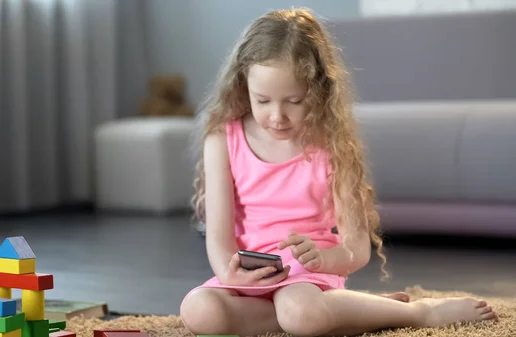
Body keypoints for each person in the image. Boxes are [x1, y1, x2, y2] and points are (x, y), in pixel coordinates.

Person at [179, 7, 498, 337]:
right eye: (262, 100)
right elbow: (218, 239)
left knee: (299, 313)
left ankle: (417, 313)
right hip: (248, 279)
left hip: (308, 277)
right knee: (197, 310)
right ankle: (351, 310)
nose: (277, 116)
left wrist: (322, 259)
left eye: (294, 101)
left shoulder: (332, 144)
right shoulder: (221, 139)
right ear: (243, 85)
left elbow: (356, 250)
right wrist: (231, 276)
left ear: (317, 92)